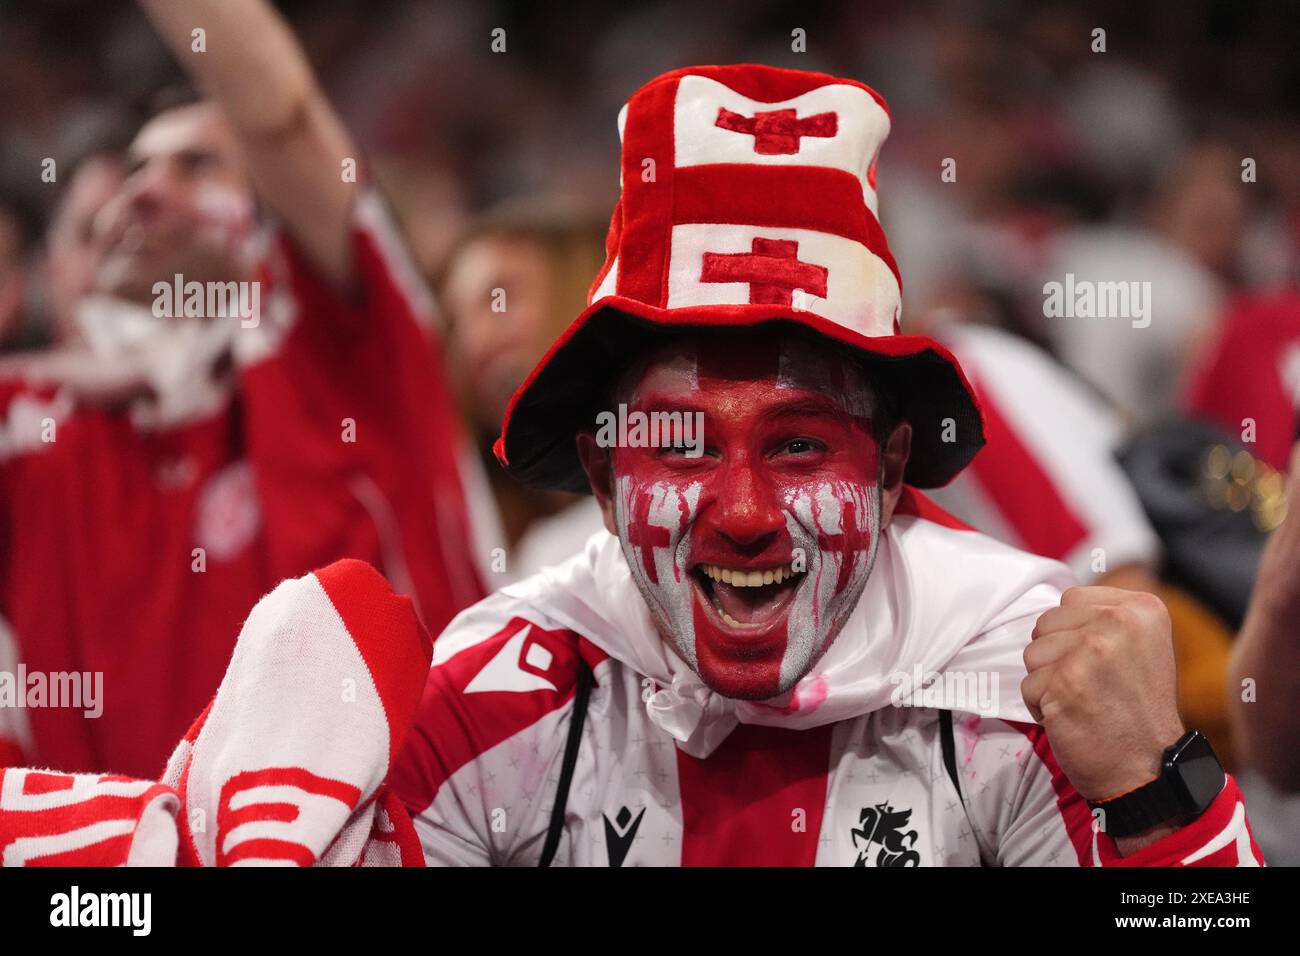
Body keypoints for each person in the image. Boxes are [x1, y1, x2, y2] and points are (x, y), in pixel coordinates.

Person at [388, 65, 1262, 866]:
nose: (742, 514)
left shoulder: (1016, 691)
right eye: (682, 446)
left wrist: (1157, 795)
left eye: (798, 444)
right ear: (606, 479)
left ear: (890, 474)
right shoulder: (494, 696)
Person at [0, 0, 482, 779]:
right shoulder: (34, 424)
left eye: (197, 165)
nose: (146, 189)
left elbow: (283, 117)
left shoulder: (327, 336)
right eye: (134, 170)